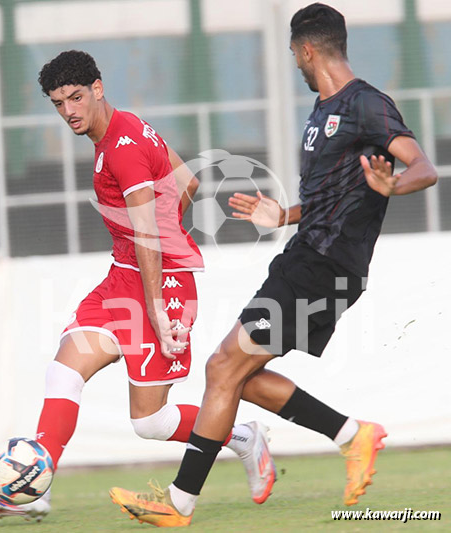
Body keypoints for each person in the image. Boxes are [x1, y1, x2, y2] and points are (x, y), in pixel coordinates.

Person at [110, 3, 438, 527]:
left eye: (293, 54)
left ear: (307, 49)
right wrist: (283, 213)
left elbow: (423, 165)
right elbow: (335, 193)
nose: (295, 64)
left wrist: (395, 182)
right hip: (303, 256)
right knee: (238, 374)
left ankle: (178, 504)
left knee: (223, 367)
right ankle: (354, 436)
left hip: (328, 266)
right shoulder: (320, 113)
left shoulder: (366, 104)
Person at [0, 50, 276, 521]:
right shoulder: (123, 126)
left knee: (150, 423)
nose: (69, 110)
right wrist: (165, 237)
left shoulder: (123, 148)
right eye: (58, 103)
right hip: (125, 277)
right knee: (64, 370)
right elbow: (186, 181)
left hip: (158, 287)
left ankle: (243, 436)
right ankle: (37, 487)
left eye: (75, 97)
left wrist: (156, 301)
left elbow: (148, 230)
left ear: (98, 87)